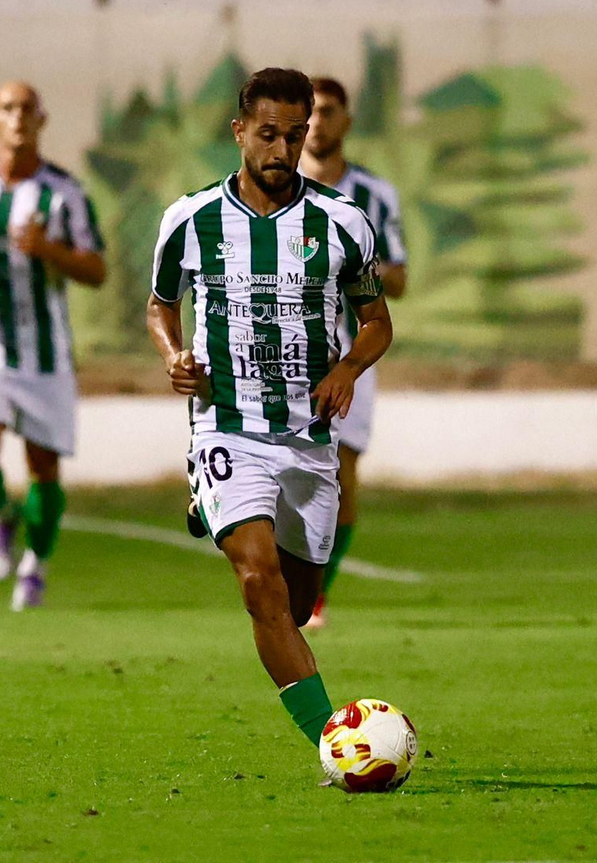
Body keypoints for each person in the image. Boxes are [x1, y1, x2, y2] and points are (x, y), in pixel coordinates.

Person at [146, 67, 392, 752]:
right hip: (227, 424)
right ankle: (334, 743)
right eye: (266, 135)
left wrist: (347, 367)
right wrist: (173, 354)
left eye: (294, 135)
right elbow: (160, 304)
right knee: (260, 582)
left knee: (301, 594)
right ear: (238, 132)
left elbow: (377, 320)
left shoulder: (342, 223)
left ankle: (211, 503)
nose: (280, 150)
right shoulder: (190, 219)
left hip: (309, 439)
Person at [0, 81, 107, 611]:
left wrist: (48, 248)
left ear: (41, 121)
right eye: (8, 108)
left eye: (28, 109)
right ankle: (4, 516)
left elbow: (96, 268)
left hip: (43, 348)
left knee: (44, 466)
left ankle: (36, 566)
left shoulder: (64, 192)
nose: (18, 117)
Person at [296, 76, 408, 629]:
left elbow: (401, 277)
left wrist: (359, 271)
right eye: (310, 112)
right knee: (286, 473)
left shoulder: (374, 195)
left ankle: (317, 594)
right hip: (286, 351)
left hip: (352, 352)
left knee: (340, 473)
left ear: (346, 121)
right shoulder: (275, 189)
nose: (318, 121)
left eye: (328, 111)